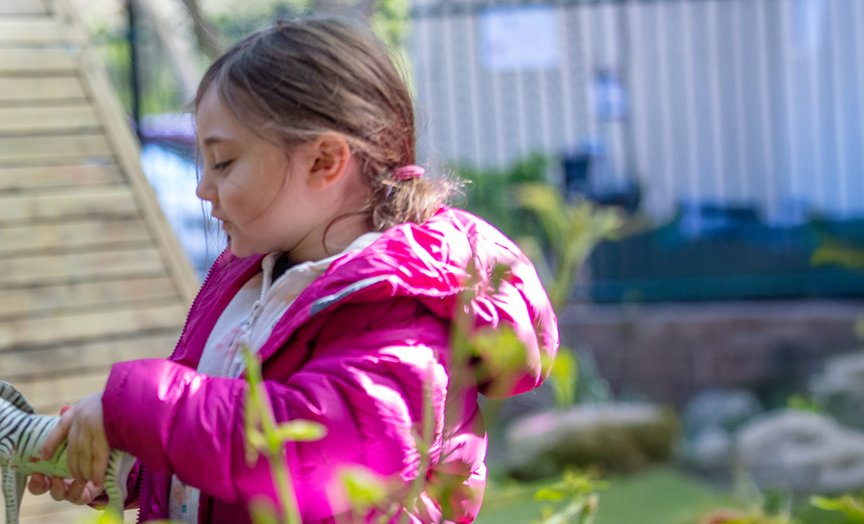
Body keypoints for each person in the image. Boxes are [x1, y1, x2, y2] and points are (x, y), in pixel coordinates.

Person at [32, 17, 559, 523]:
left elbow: (303, 453)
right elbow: (224, 443)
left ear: (323, 161)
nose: (202, 188)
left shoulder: (400, 309)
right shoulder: (255, 280)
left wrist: (138, 409)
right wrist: (124, 456)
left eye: (223, 162)